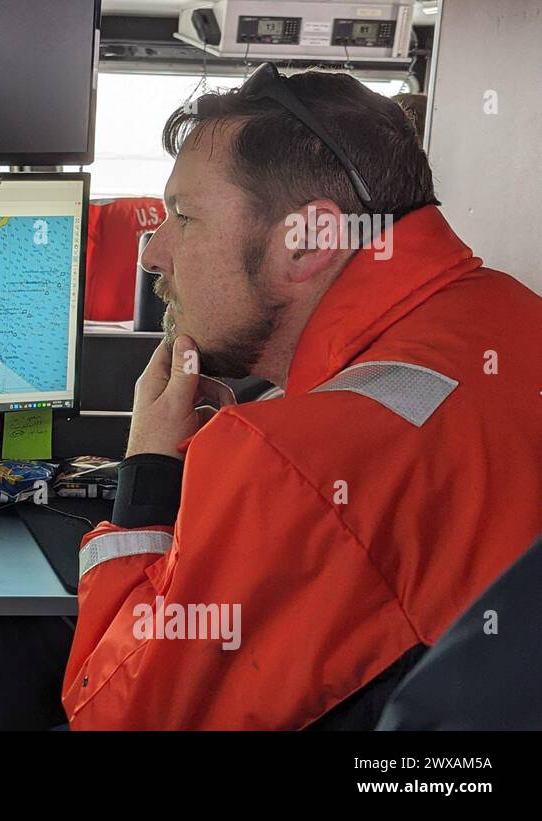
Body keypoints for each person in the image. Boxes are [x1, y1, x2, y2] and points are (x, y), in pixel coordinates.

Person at [63, 64, 542, 730]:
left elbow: (114, 714)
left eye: (184, 216)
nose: (154, 253)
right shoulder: (517, 311)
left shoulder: (286, 460)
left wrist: (147, 472)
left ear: (308, 241)